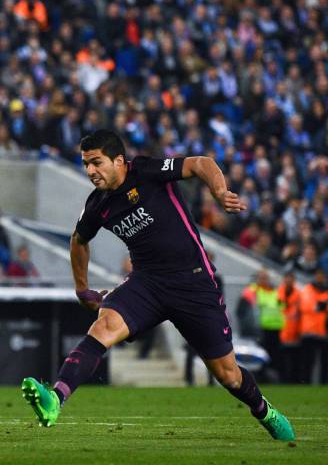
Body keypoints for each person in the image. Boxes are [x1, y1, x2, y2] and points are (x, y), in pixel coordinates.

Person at [22, 130, 295, 441]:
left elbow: (199, 163)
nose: (90, 171)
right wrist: (82, 290)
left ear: (119, 161)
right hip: (147, 283)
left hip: (193, 281)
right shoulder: (97, 204)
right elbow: (79, 240)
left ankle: (265, 411)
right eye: (86, 164)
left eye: (96, 163)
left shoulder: (147, 171)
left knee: (228, 375)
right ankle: (54, 399)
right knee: (104, 326)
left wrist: (219, 192)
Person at [240, 268, 285, 382]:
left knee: (274, 356)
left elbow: (282, 309)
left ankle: (272, 379)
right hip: (260, 330)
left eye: (265, 278)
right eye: (261, 278)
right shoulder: (252, 291)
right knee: (260, 356)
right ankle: (261, 378)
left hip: (276, 329)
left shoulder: (276, 292)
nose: (264, 280)